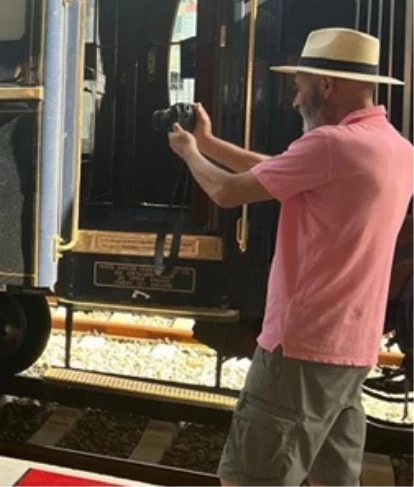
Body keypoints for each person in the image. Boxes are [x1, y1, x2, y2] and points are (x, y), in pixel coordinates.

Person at [166, 27, 414, 487]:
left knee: (251, 478)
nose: (295, 101)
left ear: (326, 85)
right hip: (353, 348)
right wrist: (212, 143)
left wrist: (189, 154)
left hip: (300, 346)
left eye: (300, 87)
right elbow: (285, 168)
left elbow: (223, 191)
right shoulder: (396, 150)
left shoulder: (331, 145)